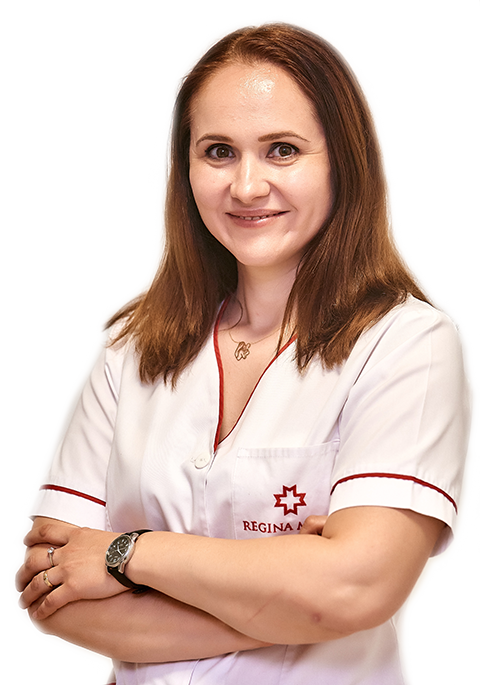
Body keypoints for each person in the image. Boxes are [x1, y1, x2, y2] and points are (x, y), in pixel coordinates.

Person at [15, 20, 471, 685]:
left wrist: (126, 553)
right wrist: (295, 600)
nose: (248, 186)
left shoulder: (407, 344)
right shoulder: (130, 348)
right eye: (219, 152)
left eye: (282, 150)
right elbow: (51, 591)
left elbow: (355, 589)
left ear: (343, 161)